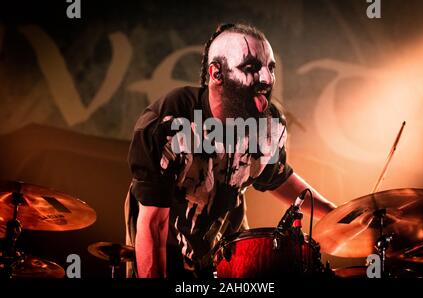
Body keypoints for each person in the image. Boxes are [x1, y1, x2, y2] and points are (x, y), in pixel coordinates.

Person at [124, 23, 336, 278]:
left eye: (270, 67)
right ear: (216, 73)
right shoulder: (170, 121)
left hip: (223, 247)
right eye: (251, 68)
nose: (266, 79)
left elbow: (277, 177)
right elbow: (153, 224)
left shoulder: (268, 125)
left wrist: (337, 215)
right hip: (164, 245)